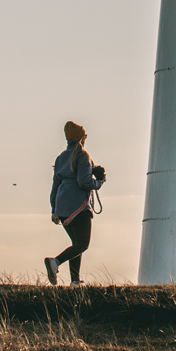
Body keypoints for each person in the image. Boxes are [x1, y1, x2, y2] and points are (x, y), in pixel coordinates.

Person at [45, 120, 105, 286]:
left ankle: (75, 281)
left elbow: (55, 185)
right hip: (78, 206)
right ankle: (55, 262)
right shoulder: (83, 156)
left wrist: (54, 210)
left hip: (62, 206)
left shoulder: (60, 158)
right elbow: (83, 182)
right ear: (82, 138)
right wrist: (99, 182)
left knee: (76, 244)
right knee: (82, 244)